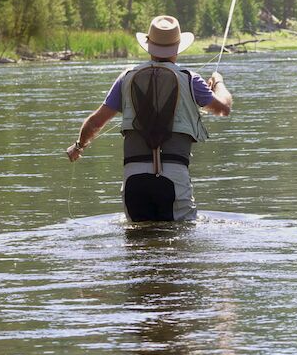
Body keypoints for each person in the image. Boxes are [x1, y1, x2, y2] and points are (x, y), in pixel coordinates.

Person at [66, 15, 232, 222]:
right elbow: (223, 108)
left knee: (137, 246)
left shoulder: (126, 77)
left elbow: (95, 122)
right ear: (178, 46)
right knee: (179, 243)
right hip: (174, 176)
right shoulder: (191, 79)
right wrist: (218, 83)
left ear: (149, 45)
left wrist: (78, 146)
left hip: (134, 178)